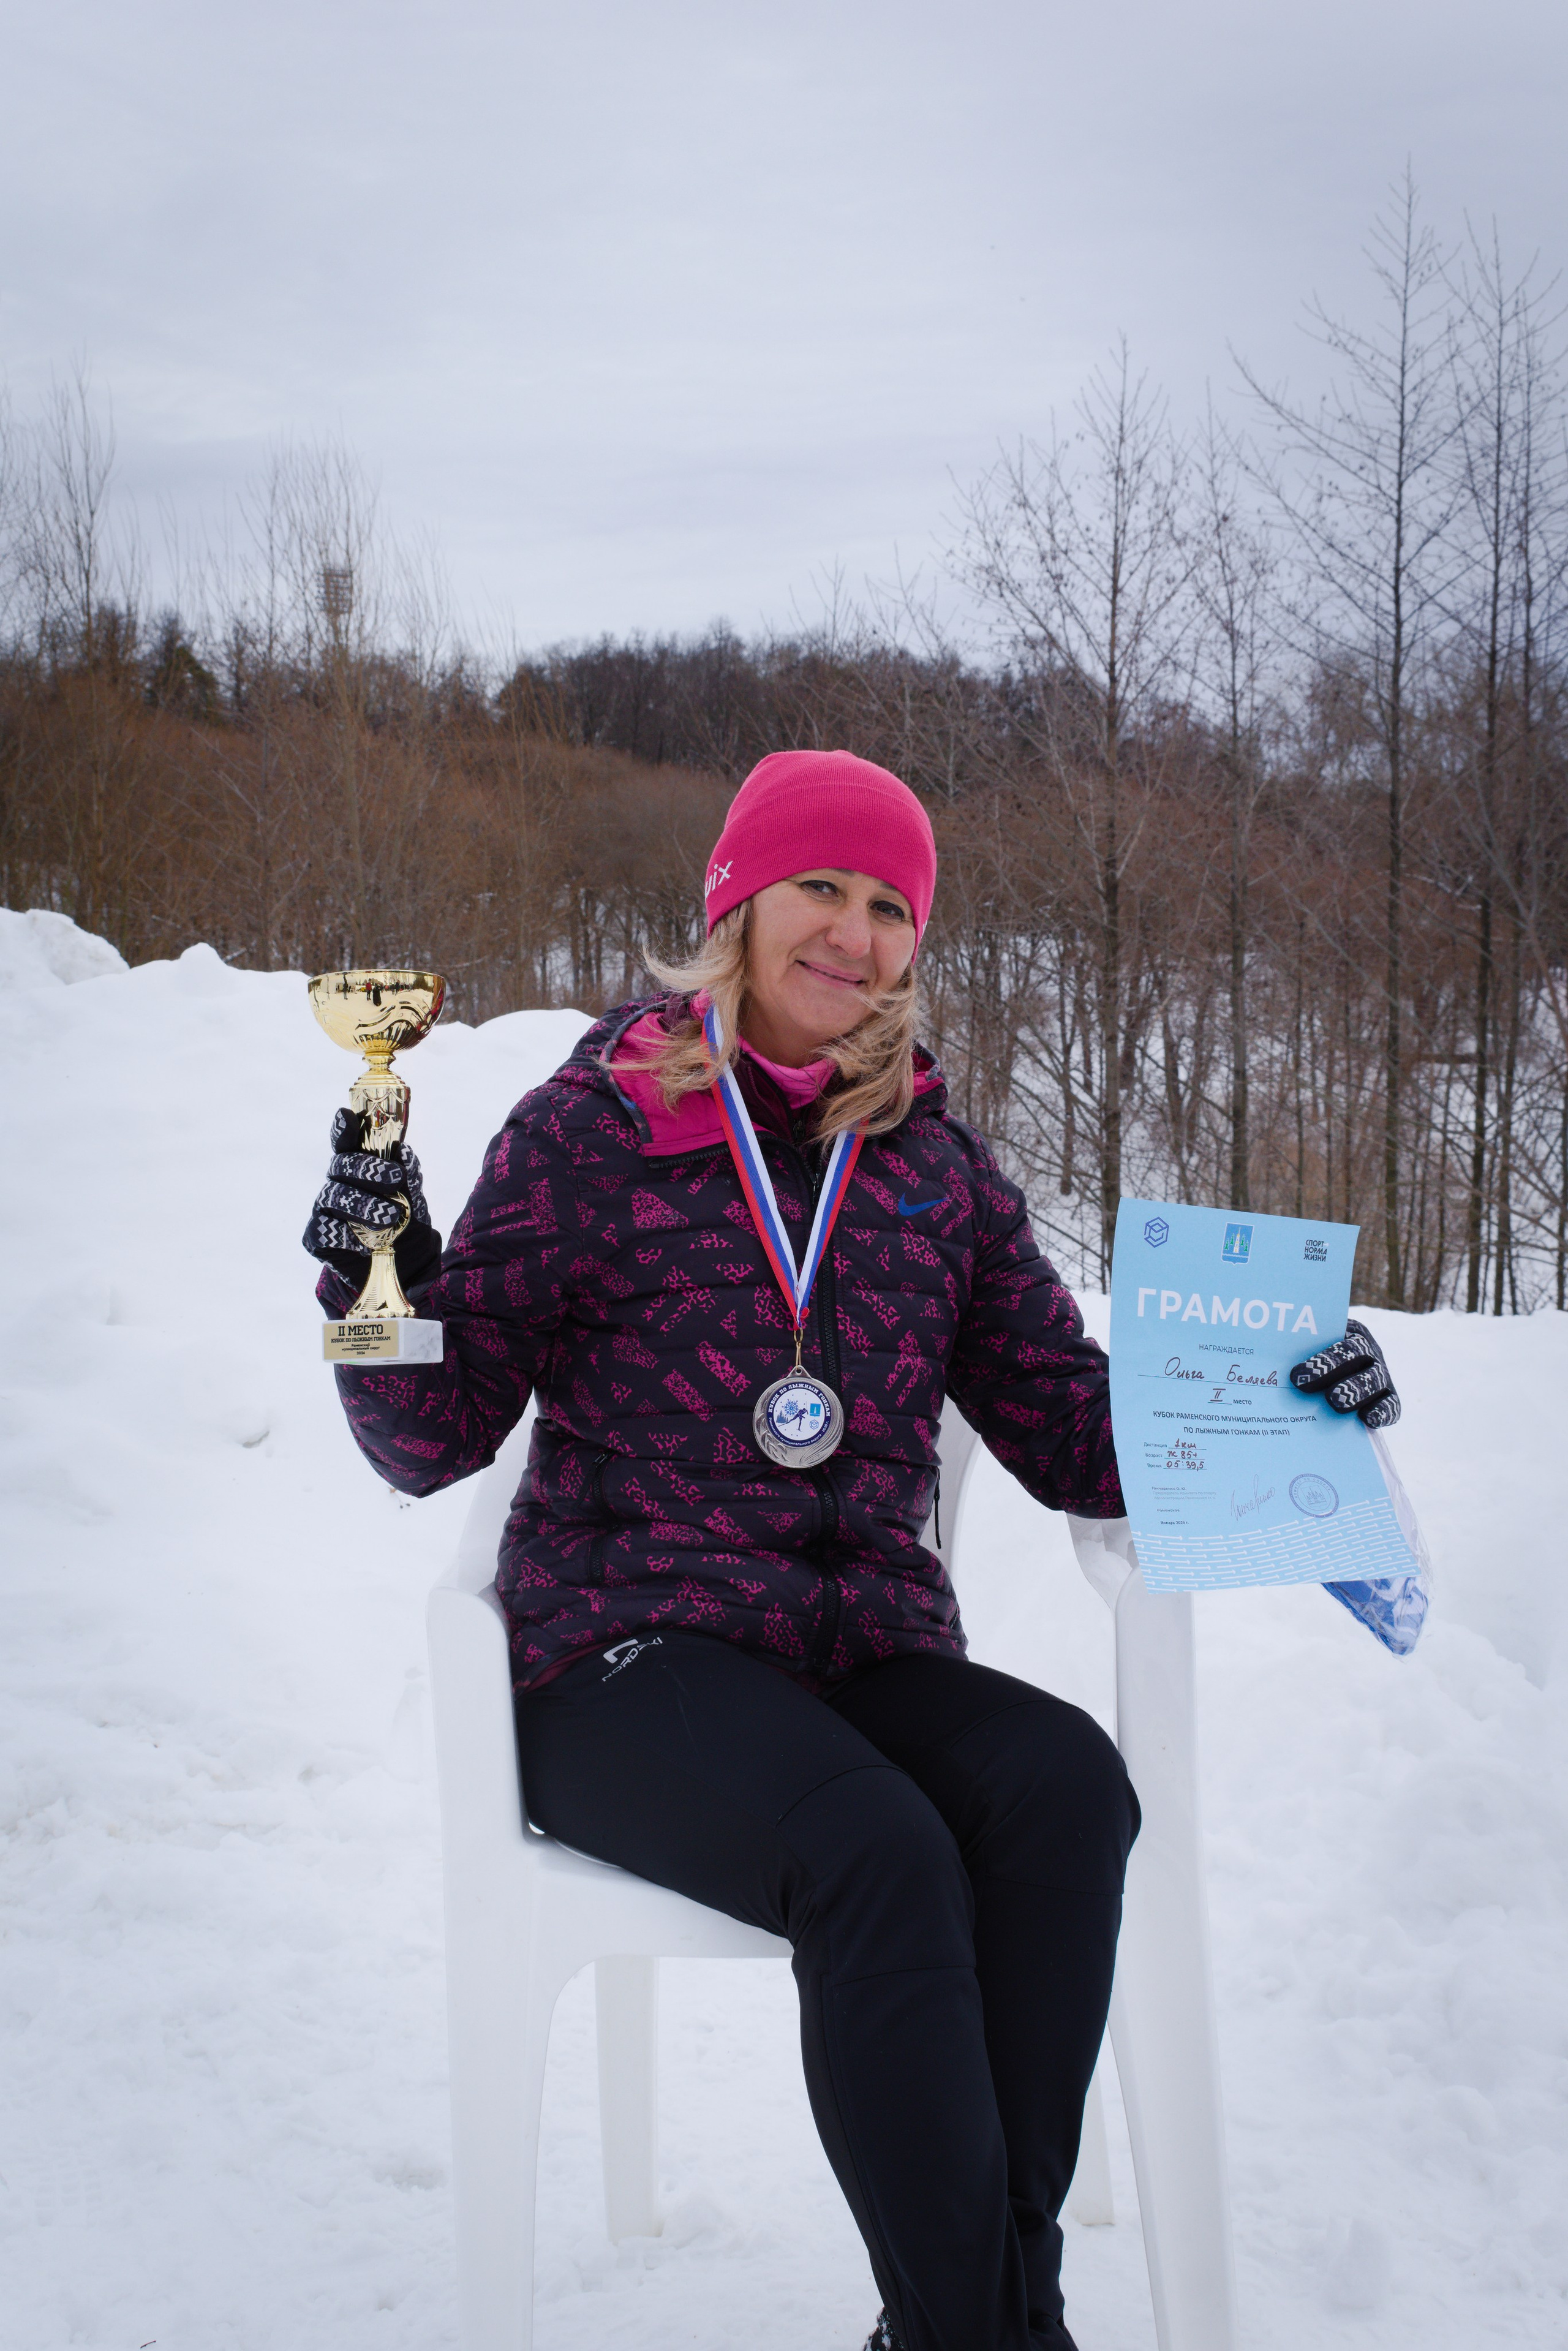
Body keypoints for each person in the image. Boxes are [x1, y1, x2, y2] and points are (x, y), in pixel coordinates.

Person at [304, 748, 1403, 2351]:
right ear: (737, 906)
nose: (855, 932)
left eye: (892, 906)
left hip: (858, 1655)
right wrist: (369, 1275)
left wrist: (1288, 1397)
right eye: (820, 887)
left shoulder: (935, 1168)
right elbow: (428, 1436)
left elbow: (1073, 1428)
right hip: (621, 1661)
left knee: (1065, 1789)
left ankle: (975, 2320)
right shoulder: (594, 1132)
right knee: (874, 1848)